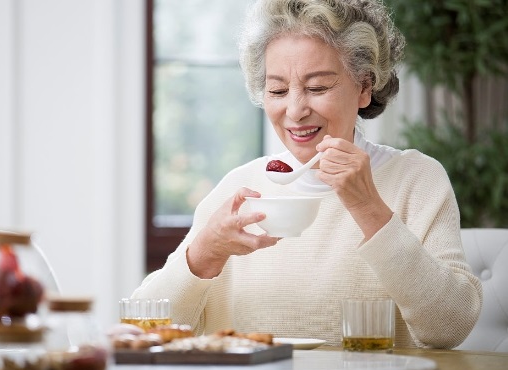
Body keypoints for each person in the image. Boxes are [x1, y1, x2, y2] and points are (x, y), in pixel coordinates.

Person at [132, 0, 482, 348]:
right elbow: (142, 329)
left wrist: (368, 206)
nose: (296, 110)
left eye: (317, 88)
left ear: (364, 86)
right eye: (278, 91)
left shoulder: (415, 179)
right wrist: (203, 254)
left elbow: (448, 328)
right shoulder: (240, 188)